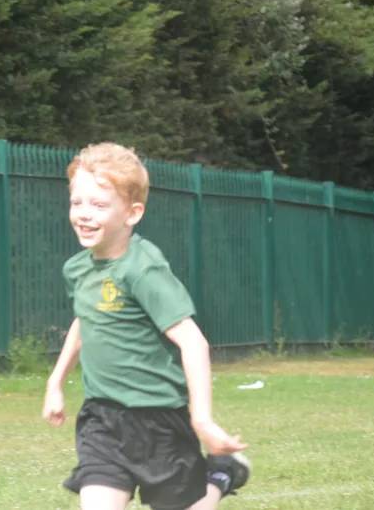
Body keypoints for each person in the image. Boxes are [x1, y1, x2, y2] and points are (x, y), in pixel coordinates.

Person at [42, 142, 252, 510]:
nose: (84, 214)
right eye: (78, 202)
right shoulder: (76, 269)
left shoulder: (144, 269)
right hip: (102, 418)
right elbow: (85, 319)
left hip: (159, 421)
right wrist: (55, 382)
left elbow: (193, 343)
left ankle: (220, 475)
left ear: (132, 213)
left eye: (99, 205)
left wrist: (202, 419)